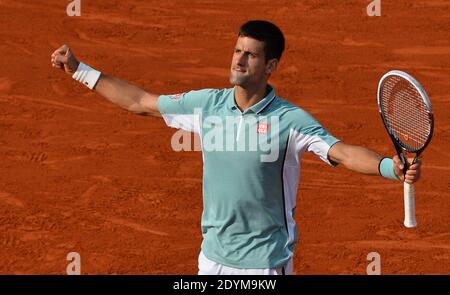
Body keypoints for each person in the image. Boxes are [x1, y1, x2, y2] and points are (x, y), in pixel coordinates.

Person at [51, 20, 421, 275]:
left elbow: (340, 152)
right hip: (211, 259)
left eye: (251, 55)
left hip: (264, 263)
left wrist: (390, 167)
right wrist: (80, 70)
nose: (239, 60)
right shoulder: (207, 105)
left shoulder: (289, 120)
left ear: (270, 65)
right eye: (237, 50)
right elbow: (140, 101)